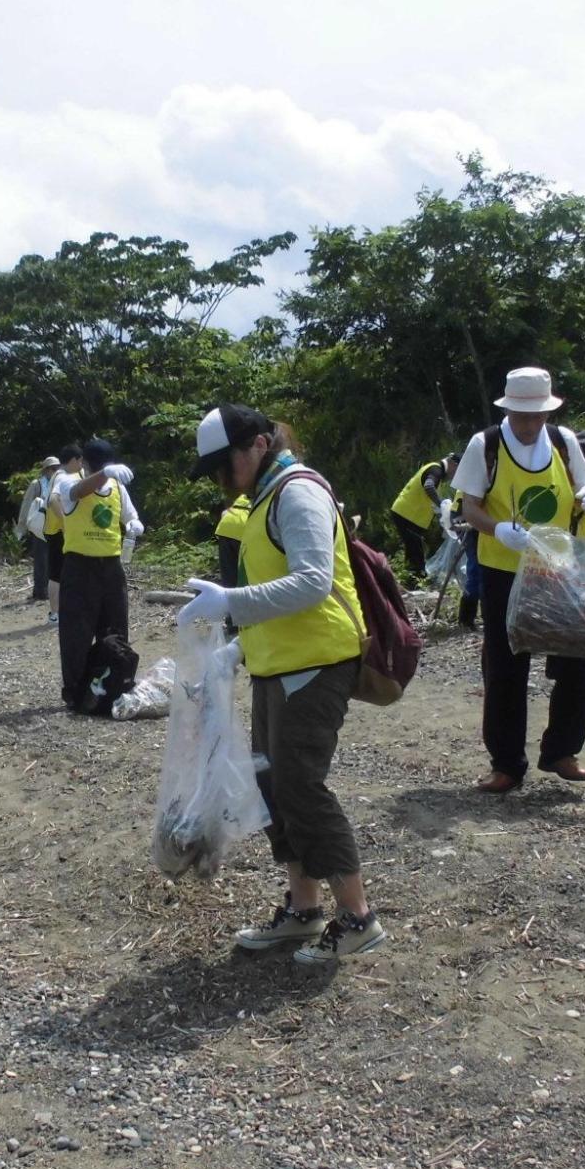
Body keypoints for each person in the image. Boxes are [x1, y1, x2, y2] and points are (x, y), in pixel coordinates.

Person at [180, 404, 386, 964]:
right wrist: (237, 647)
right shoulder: (262, 499)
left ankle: (357, 917)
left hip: (317, 663)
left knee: (302, 787)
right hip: (276, 662)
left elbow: (314, 582)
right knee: (273, 787)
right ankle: (303, 909)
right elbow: (277, 588)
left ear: (259, 446)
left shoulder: (297, 493)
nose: (223, 479)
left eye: (226, 465)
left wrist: (231, 602)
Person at [454, 366, 585, 793]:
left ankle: (562, 751)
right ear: (508, 409)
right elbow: (470, 506)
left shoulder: (564, 443)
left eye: (537, 416)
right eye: (522, 416)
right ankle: (506, 763)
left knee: (575, 661)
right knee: (505, 668)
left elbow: (583, 487)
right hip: (504, 571)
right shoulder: (484, 445)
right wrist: (499, 530)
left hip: (560, 568)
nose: (529, 424)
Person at [56, 438, 140, 710]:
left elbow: (129, 515)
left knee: (115, 627)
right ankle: (76, 691)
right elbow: (76, 493)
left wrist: (134, 523)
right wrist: (104, 474)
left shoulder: (117, 487)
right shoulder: (69, 481)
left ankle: (115, 682)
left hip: (111, 567)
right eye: (99, 467)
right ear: (86, 464)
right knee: (76, 633)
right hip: (80, 567)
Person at [388, 453, 460, 579]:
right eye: (457, 471)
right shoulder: (436, 470)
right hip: (407, 515)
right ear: (453, 464)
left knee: (413, 549)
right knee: (416, 552)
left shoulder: (435, 470)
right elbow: (428, 486)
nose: (454, 476)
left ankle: (410, 579)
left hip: (407, 515)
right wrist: (441, 503)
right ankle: (416, 581)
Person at [42, 445, 83, 625]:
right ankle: (55, 614)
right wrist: (67, 523)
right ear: (73, 460)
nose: (82, 464)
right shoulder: (63, 476)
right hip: (59, 532)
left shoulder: (61, 476)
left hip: (55, 531)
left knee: (62, 573)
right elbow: (52, 500)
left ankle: (61, 611)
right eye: (80, 460)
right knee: (57, 574)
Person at [21, 457, 61, 605]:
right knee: (41, 560)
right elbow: (26, 505)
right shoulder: (37, 485)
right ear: (46, 470)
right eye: (53, 468)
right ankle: (40, 591)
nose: (56, 471)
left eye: (57, 468)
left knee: (54, 560)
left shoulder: (61, 483)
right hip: (40, 528)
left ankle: (51, 590)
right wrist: (23, 526)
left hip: (57, 528)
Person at [214, 494, 252, 589]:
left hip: (225, 526)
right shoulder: (267, 495)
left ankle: (228, 597)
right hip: (243, 527)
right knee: (248, 570)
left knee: (228, 570)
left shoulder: (244, 495)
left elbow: (225, 512)